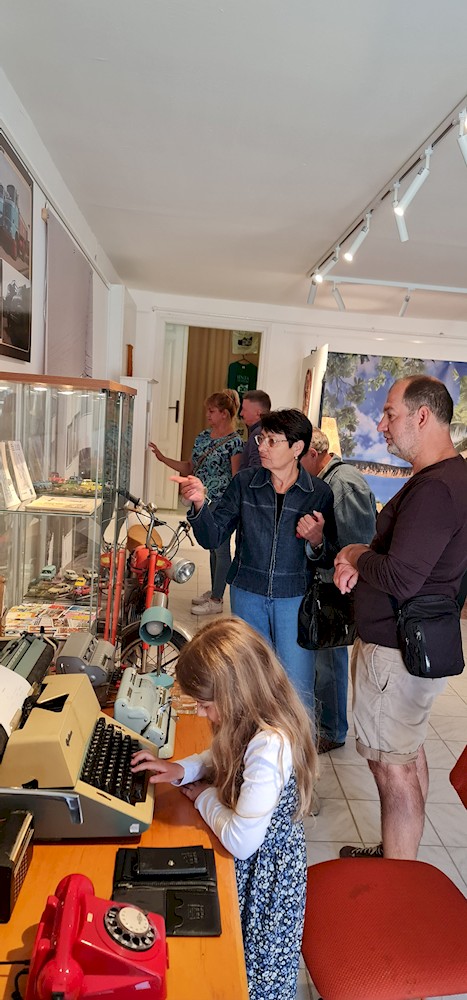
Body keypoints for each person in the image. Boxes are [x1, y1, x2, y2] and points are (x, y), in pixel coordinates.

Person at [131, 617, 318, 1000]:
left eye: (205, 705)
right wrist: (182, 769)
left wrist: (202, 796)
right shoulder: (254, 717)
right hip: (257, 862)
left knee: (252, 974)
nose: (201, 714)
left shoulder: (270, 745)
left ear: (235, 694)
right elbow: (220, 753)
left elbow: (241, 841)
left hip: (265, 878)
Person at [334, 376, 467, 860]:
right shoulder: (450, 477)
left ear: (422, 416)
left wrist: (354, 553)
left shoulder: (436, 489)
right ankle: (400, 856)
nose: (381, 424)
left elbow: (402, 576)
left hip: (396, 651)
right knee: (406, 757)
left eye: (390, 413)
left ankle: (398, 876)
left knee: (393, 769)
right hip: (411, 644)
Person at [170, 408, 337, 716]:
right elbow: (212, 536)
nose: (262, 447)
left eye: (272, 441)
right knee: (248, 682)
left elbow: (329, 557)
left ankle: (296, 747)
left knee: (297, 686)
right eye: (262, 439)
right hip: (247, 593)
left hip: (294, 598)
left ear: (297, 448)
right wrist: (199, 505)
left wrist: (316, 540)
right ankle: (250, 743)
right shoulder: (244, 483)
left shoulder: (319, 493)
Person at [301, 428, 376, 753]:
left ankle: (332, 731)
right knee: (323, 659)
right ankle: (325, 725)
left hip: (336, 587)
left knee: (330, 660)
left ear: (313, 454)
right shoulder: (328, 480)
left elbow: (357, 545)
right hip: (325, 582)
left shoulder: (343, 484)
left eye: (299, 457)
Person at [149, 389, 243, 616]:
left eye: (212, 411)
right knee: (211, 548)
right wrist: (163, 458)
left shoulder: (235, 443)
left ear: (224, 413)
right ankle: (214, 592)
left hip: (221, 503)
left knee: (221, 551)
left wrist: (234, 507)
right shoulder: (202, 437)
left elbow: (236, 478)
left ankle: (217, 599)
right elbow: (190, 467)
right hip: (202, 502)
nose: (207, 415)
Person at [239, 389, 271, 468]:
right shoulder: (269, 430)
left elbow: (255, 468)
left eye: (244, 410)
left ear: (258, 413)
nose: (241, 413)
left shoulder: (258, 434)